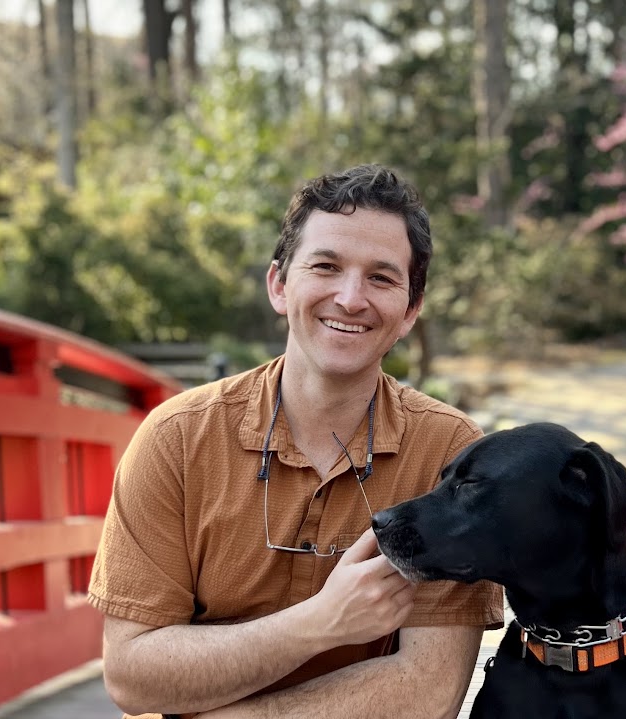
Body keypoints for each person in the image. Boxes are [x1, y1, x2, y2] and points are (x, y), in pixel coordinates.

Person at [88, 164, 504, 719]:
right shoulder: (176, 439)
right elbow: (134, 675)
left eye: (382, 278)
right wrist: (320, 623)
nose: (351, 298)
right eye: (326, 266)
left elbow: (428, 692)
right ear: (279, 285)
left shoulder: (449, 453)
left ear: (409, 311)